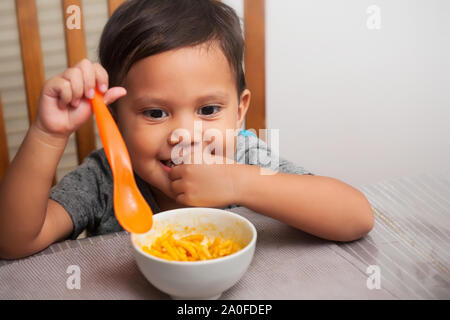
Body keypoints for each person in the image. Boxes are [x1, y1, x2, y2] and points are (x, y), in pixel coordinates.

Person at [0, 0, 373, 260]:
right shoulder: (107, 176)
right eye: (156, 112)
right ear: (115, 118)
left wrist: (239, 182)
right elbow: (13, 242)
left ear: (239, 111)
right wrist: (48, 135)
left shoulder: (243, 156)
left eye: (208, 110)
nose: (184, 134)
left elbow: (355, 217)